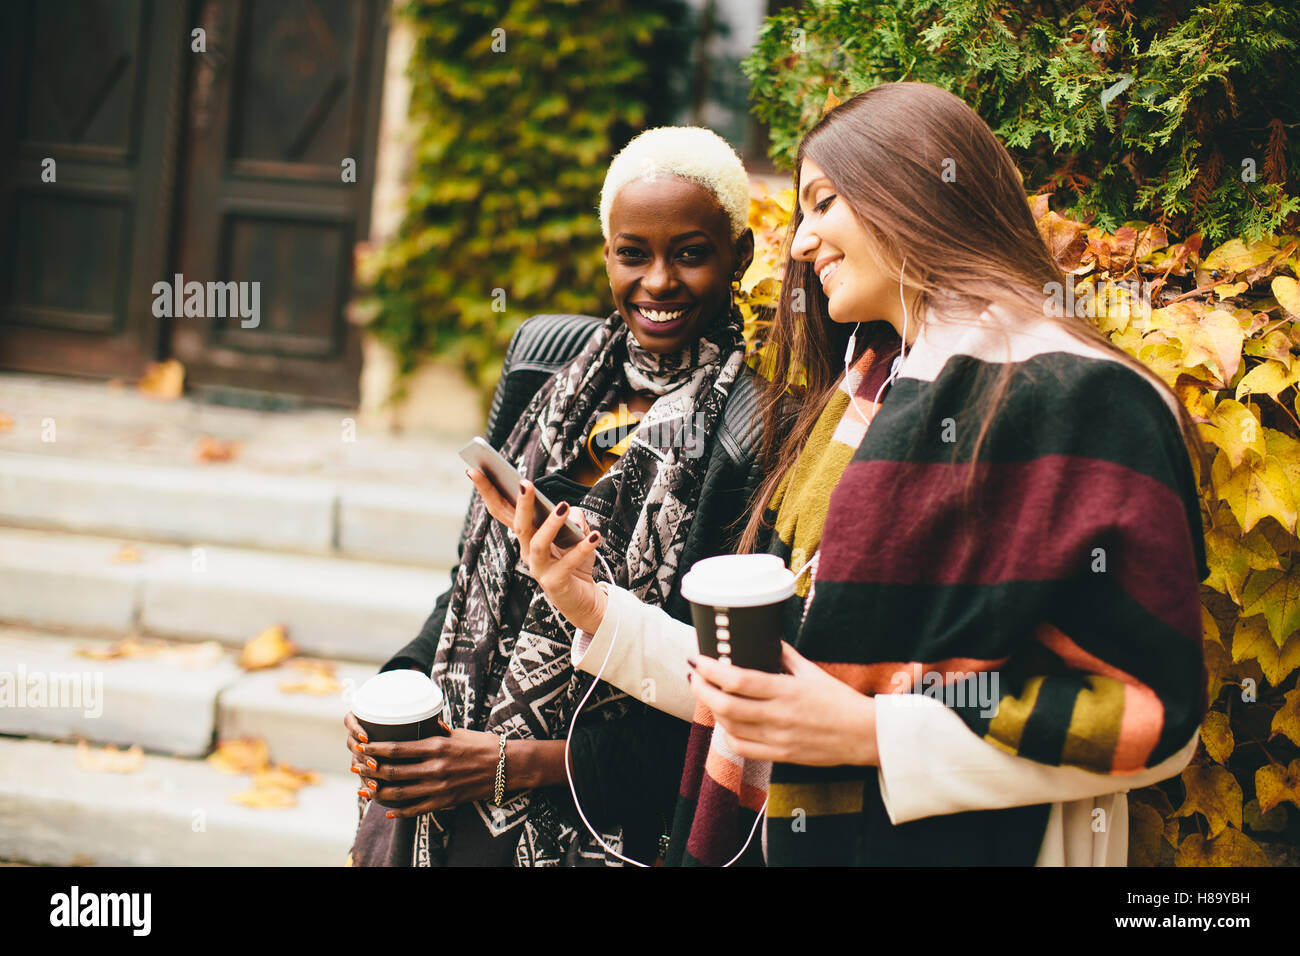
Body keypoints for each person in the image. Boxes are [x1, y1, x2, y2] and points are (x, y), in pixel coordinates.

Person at [501, 82, 1209, 866]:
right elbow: (773, 687)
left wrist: (876, 733)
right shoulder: (866, 395)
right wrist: (590, 603)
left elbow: (1151, 714)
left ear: (909, 190)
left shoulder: (1082, 398)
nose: (800, 243)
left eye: (823, 204)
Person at [346, 125, 767, 866]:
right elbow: (473, 587)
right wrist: (402, 682)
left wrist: (513, 762)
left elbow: (709, 702)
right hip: (447, 805)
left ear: (740, 255)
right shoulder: (549, 375)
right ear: (607, 253)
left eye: (691, 254)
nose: (659, 282)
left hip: (596, 826)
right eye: (633, 253)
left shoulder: (752, 429)